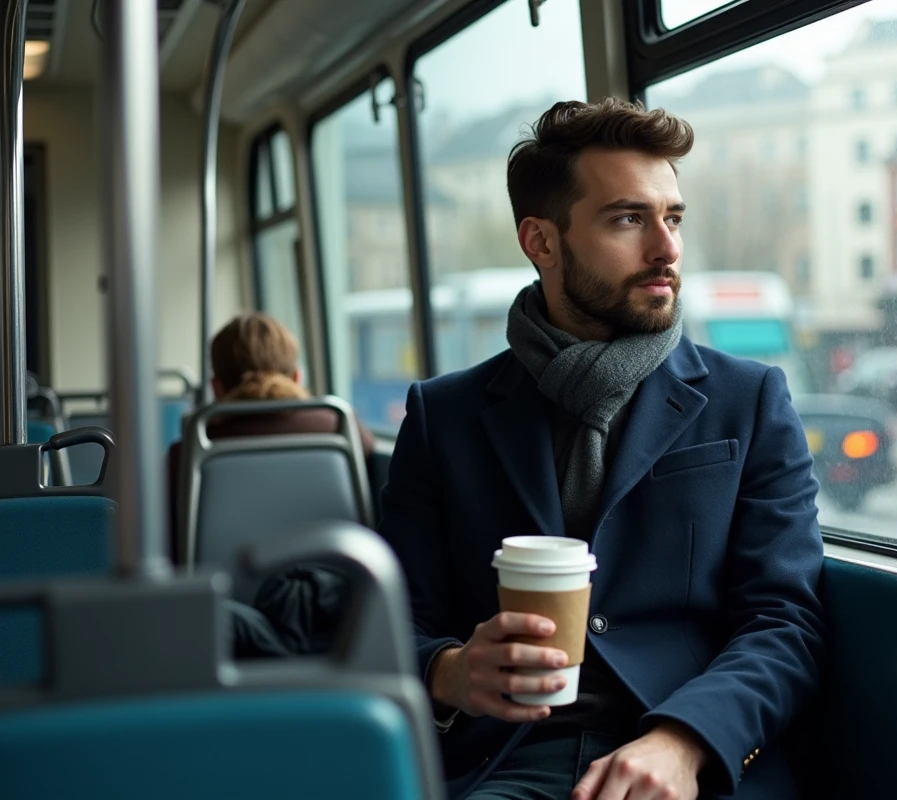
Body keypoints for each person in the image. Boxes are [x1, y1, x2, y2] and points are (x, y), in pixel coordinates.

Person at [377, 98, 824, 800]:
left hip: (691, 759)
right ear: (542, 242)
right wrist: (449, 671)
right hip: (507, 759)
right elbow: (392, 619)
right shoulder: (446, 416)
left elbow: (785, 621)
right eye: (628, 219)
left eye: (672, 217)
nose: (666, 249)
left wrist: (685, 741)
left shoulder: (750, 398)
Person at [166, 312, 374, 562]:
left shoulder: (191, 451)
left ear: (216, 387)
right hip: (332, 581)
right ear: (297, 377)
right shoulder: (339, 425)